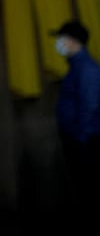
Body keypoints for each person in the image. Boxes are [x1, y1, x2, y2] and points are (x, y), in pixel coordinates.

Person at [51, 20, 100, 227]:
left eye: (62, 39)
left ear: (73, 41)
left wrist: (79, 137)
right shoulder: (76, 67)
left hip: (86, 141)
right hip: (79, 139)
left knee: (90, 191)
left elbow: (90, 105)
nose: (59, 44)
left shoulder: (87, 69)